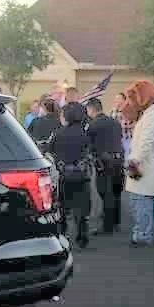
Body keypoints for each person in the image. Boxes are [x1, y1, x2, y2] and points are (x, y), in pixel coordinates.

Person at [123, 80, 154, 245]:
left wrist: (133, 162)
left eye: (132, 99)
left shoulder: (151, 117)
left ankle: (142, 234)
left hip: (143, 169)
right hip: (150, 170)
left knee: (141, 202)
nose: (130, 103)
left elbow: (145, 145)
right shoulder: (151, 114)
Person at [47, 101, 94, 248]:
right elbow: (90, 152)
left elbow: (49, 150)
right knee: (82, 208)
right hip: (82, 176)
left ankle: (64, 235)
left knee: (62, 208)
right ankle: (82, 236)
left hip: (63, 177)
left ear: (66, 116)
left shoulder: (57, 133)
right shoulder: (84, 134)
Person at [85, 96, 125, 235]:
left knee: (105, 193)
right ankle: (116, 223)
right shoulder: (115, 122)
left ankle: (107, 227)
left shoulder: (93, 125)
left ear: (91, 109)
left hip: (104, 162)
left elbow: (88, 145)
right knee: (116, 192)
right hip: (119, 160)